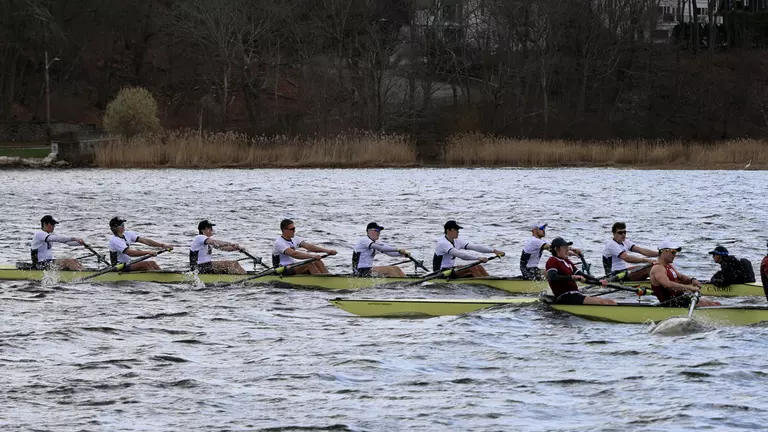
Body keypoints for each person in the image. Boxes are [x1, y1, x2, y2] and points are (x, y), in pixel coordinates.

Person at [545, 237, 616, 305]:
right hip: (565, 297)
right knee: (605, 303)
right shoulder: (552, 260)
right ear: (556, 249)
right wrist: (572, 277)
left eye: (567, 247)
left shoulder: (567, 261)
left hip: (574, 295)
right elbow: (552, 277)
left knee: (610, 302)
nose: (567, 250)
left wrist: (598, 281)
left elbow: (582, 275)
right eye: (564, 248)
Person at [649, 240, 720, 307]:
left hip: (679, 299)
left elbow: (681, 277)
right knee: (709, 305)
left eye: (675, 252)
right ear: (664, 252)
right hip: (669, 303)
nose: (675, 255)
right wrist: (689, 288)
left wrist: (692, 280)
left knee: (715, 303)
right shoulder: (658, 268)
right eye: (673, 252)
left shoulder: (668, 266)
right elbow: (667, 284)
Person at [433, 220, 505, 278]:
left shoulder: (457, 241)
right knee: (472, 268)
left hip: (450, 269)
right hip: (440, 273)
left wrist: (494, 251)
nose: (458, 232)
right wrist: (478, 258)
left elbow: (475, 247)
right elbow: (460, 255)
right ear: (448, 230)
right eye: (456, 230)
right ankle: (486, 284)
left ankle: (491, 281)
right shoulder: (443, 243)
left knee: (479, 267)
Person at [272, 219, 338, 275]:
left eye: (294, 228)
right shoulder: (279, 242)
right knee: (309, 263)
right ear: (284, 230)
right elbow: (294, 254)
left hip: (291, 266)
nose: (294, 231)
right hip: (281, 270)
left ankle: (328, 277)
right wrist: (312, 256)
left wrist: (327, 251)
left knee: (318, 261)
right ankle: (320, 281)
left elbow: (309, 247)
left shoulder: (295, 238)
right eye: (292, 229)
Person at [108, 217, 172, 271]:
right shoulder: (115, 240)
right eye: (122, 225)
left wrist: (162, 245)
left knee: (153, 263)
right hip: (118, 266)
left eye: (123, 224)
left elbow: (145, 241)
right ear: (116, 228)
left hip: (127, 263)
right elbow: (130, 253)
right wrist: (147, 252)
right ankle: (156, 279)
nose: (123, 226)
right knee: (146, 264)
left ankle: (163, 277)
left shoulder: (127, 234)